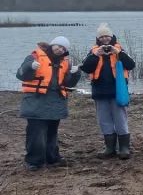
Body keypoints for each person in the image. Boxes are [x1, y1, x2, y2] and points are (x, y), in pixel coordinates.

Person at [16, 36, 82, 171]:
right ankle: (34, 161)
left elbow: (68, 83)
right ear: (52, 45)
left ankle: (52, 157)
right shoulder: (34, 56)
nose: (60, 49)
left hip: (56, 101)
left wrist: (76, 74)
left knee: (52, 131)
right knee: (36, 133)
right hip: (36, 100)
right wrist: (30, 67)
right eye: (58, 46)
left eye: (63, 48)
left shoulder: (65, 63)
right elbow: (21, 74)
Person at [79, 23, 136, 160]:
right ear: (98, 38)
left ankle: (124, 148)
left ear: (111, 37)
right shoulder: (93, 51)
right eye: (102, 37)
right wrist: (96, 55)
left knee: (120, 119)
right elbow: (85, 67)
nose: (105, 39)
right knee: (104, 120)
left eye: (107, 36)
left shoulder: (119, 49)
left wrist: (118, 53)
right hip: (99, 91)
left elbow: (131, 65)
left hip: (118, 91)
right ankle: (109, 148)